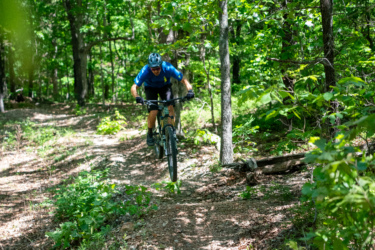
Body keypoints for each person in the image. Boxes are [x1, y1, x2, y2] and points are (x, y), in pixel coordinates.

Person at [131, 53, 194, 146]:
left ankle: (171, 131)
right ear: (150, 67)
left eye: (157, 68)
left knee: (170, 106)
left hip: (164, 87)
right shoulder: (145, 70)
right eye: (153, 69)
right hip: (150, 88)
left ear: (161, 66)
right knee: (154, 110)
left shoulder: (168, 67)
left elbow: (183, 79)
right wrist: (137, 97)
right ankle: (150, 133)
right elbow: (134, 87)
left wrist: (190, 90)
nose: (156, 71)